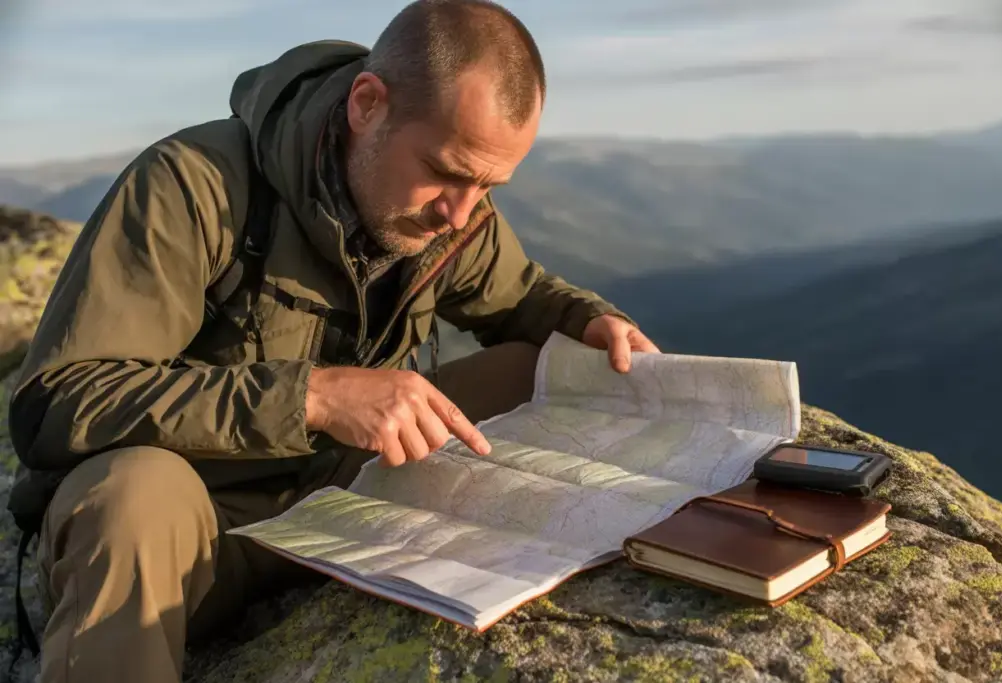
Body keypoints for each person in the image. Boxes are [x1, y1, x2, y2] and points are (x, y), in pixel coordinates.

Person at [5, 1, 659, 681]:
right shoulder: (193, 188)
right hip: (188, 539)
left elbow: (522, 297)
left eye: (488, 185)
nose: (461, 213)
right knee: (131, 495)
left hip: (334, 506)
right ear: (367, 105)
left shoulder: (446, 215)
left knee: (540, 370)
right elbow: (56, 402)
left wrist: (589, 320)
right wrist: (310, 396)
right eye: (445, 170)